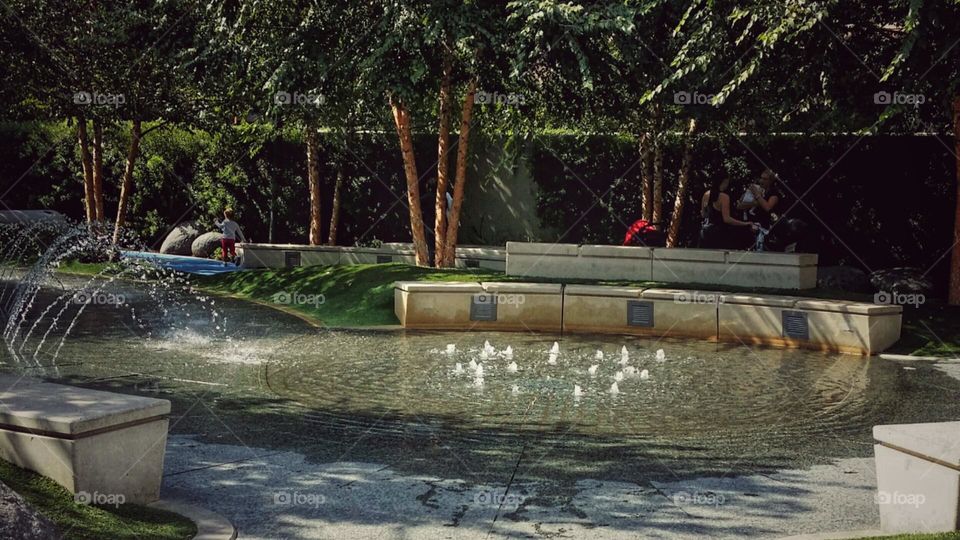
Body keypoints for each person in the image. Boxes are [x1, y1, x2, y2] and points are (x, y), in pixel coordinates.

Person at [700, 177, 758, 249]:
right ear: (724, 182)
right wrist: (745, 223)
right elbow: (726, 219)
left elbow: (703, 214)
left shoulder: (706, 194)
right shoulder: (724, 197)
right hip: (719, 233)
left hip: (705, 231)